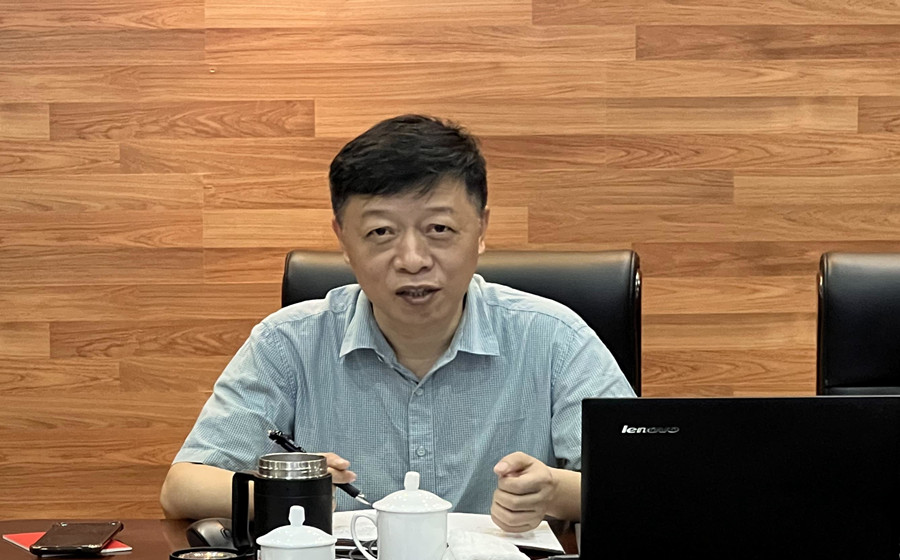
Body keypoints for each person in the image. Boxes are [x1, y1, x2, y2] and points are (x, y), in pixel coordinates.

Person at [160, 114, 635, 531]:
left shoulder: (553, 338)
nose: (412, 260)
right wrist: (289, 489)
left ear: (481, 230)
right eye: (381, 232)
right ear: (343, 240)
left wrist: (554, 491)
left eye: (439, 229)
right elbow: (182, 487)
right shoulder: (288, 343)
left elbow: (644, 486)